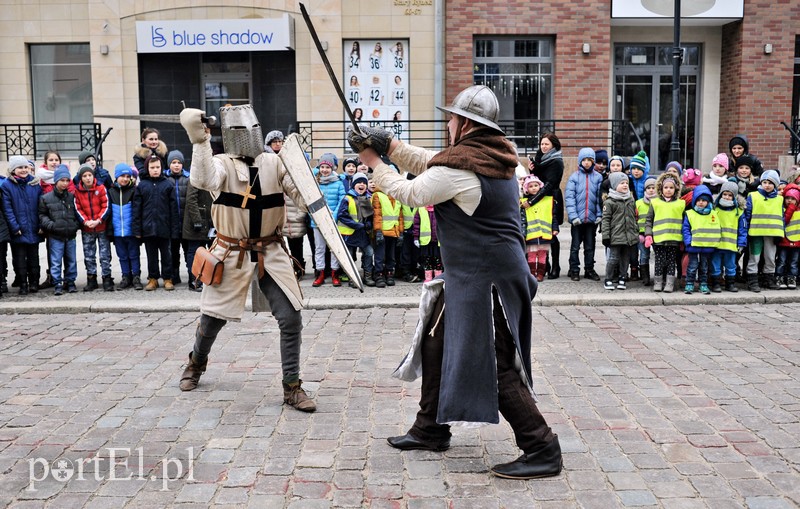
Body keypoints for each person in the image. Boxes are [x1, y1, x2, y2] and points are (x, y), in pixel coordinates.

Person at [349, 84, 561, 480]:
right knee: (435, 342)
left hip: (487, 283)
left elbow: (409, 191)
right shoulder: (493, 156)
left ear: (465, 124)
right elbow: (431, 160)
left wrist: (372, 162)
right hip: (476, 275)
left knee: (495, 364)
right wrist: (390, 144)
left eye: (451, 117)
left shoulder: (462, 171)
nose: (447, 123)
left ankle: (541, 446)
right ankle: (430, 428)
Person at [178, 104, 316, 412]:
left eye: (253, 128)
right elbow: (202, 180)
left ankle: (292, 386)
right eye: (241, 131)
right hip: (230, 252)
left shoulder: (274, 162)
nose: (249, 135)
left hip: (271, 250)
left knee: (291, 317)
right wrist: (199, 140)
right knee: (211, 320)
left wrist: (308, 184)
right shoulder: (221, 164)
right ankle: (196, 362)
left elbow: (304, 197)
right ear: (228, 135)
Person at [134, 154, 180, 291]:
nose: (155, 170)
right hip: (148, 228)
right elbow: (137, 209)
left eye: (157, 167)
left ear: (162, 168)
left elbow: (174, 210)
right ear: (147, 168)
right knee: (151, 256)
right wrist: (137, 229)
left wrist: (174, 229)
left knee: (167, 255)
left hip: (164, 228)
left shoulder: (168, 185)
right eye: (152, 167)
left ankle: (167, 278)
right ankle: (153, 278)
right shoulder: (142, 186)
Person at [1, 156, 43, 295]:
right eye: (20, 168)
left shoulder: (35, 183)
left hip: (33, 227)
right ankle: (23, 284)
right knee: (20, 259)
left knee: (34, 258)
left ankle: (34, 282)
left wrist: (40, 224)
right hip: (18, 229)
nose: (24, 170)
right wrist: (15, 227)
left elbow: (41, 206)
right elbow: (7, 209)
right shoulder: (7, 185)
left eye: (25, 167)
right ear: (13, 170)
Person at [526, 132, 564, 279]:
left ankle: (555, 266)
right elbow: (536, 180)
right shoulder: (540, 159)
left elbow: (549, 185)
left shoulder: (556, 161)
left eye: (546, 144)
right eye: (542, 143)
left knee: (552, 235)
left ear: (553, 145)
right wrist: (532, 170)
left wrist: (532, 200)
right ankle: (545, 265)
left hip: (551, 199)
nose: (543, 146)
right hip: (539, 199)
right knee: (540, 233)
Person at [38, 165, 80, 295]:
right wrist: (51, 225)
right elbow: (42, 214)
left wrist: (75, 225)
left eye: (67, 180)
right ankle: (57, 283)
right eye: (62, 180)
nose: (65, 183)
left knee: (71, 260)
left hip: (70, 233)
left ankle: (70, 281)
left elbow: (78, 212)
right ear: (56, 181)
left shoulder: (72, 197)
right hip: (55, 235)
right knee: (56, 261)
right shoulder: (46, 198)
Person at [74, 163, 113, 291]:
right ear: (81, 178)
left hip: (101, 227)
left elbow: (106, 206)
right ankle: (91, 278)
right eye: (85, 176)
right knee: (89, 255)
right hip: (87, 229)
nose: (88, 178)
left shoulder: (101, 188)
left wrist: (98, 220)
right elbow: (78, 208)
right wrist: (85, 221)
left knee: (104, 255)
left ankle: (107, 278)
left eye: (90, 175)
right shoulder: (77, 191)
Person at [565, 147, 602, 281]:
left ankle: (589, 269)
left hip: (591, 219)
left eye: (589, 160)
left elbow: (599, 198)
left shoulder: (598, 178)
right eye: (584, 160)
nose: (586, 162)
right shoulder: (574, 177)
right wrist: (573, 216)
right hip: (577, 220)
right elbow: (570, 198)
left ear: (593, 162)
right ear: (580, 161)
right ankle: (574, 269)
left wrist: (599, 215)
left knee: (590, 246)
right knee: (575, 246)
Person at [743, 170, 784, 291]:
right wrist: (747, 231)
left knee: (770, 257)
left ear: (775, 185)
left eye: (770, 183)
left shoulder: (779, 199)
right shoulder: (753, 196)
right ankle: (752, 279)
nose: (767, 185)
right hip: (755, 233)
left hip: (772, 234)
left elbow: (781, 217)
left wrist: (781, 233)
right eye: (765, 182)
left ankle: (768, 278)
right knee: (754, 257)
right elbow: (748, 214)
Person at [644, 172, 684, 293]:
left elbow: (684, 222)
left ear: (676, 188)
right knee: (659, 261)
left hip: (674, 239)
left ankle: (669, 283)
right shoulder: (655, 202)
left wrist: (683, 239)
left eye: (671, 188)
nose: (668, 190)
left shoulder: (680, 203)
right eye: (666, 187)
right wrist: (648, 234)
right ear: (661, 189)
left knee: (671, 262)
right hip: (659, 239)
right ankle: (658, 282)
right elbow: (649, 220)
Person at [311, 154, 346, 287]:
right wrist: (316, 216)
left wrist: (334, 215)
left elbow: (341, 200)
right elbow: (311, 201)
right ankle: (320, 273)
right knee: (320, 248)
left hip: (333, 221)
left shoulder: (338, 183)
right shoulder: (315, 182)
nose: (324, 170)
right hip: (318, 221)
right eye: (322, 167)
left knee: (333, 248)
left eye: (327, 167)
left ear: (333, 168)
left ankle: (334, 273)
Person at [107, 163, 143, 291]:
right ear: (116, 177)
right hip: (118, 232)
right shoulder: (111, 192)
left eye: (128, 176)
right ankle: (126, 276)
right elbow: (109, 212)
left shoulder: (134, 190)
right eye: (122, 176)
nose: (125, 179)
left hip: (131, 231)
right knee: (122, 255)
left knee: (134, 255)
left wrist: (137, 229)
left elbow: (138, 211)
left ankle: (136, 276)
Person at [336, 172, 375, 287]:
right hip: (350, 233)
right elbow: (342, 215)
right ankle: (352, 278)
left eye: (364, 183)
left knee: (369, 252)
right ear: (354, 185)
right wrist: (356, 225)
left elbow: (371, 215)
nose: (362, 185)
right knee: (350, 256)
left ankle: (367, 276)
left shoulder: (368, 198)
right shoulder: (347, 198)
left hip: (363, 233)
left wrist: (368, 224)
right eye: (359, 182)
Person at [601, 172, 638, 290]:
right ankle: (608, 278)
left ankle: (622, 277)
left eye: (626, 183)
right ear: (614, 185)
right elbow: (605, 220)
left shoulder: (631, 200)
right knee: (613, 258)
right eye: (622, 183)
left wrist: (634, 233)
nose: (625, 185)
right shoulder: (610, 202)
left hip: (628, 236)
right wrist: (606, 236)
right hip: (615, 236)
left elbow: (633, 218)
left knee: (625, 259)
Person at [682, 185, 719, 294]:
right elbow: (686, 229)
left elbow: (716, 228)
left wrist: (714, 243)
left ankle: (703, 283)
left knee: (704, 267)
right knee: (692, 266)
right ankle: (689, 283)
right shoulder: (690, 214)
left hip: (707, 246)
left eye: (704, 200)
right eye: (698, 200)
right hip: (694, 245)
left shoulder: (713, 214)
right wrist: (688, 242)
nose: (701, 202)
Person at [711, 181, 746, 292]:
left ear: (734, 196)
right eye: (725, 194)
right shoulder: (714, 208)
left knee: (731, 265)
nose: (726, 197)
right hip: (717, 244)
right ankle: (716, 283)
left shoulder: (739, 212)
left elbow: (742, 229)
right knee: (715, 264)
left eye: (730, 195)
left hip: (731, 245)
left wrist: (741, 243)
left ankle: (730, 283)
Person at [520, 175, 557, 282]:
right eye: (531, 186)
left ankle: (540, 273)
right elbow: (523, 220)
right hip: (531, 235)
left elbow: (552, 216)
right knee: (531, 256)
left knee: (542, 255)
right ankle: (532, 273)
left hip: (544, 235)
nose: (534, 188)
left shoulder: (547, 201)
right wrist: (523, 233)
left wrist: (555, 228)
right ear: (527, 189)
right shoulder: (524, 203)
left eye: (536, 185)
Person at [182, 178, 214, 291]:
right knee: (194, 252)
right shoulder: (195, 178)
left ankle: (210, 278)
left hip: (210, 221)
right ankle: (194, 280)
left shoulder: (214, 176)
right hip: (196, 223)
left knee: (213, 252)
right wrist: (197, 220)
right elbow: (191, 200)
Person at [165, 150, 191, 286]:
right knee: (173, 251)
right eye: (173, 163)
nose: (176, 165)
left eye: (179, 163)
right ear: (169, 164)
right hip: (171, 223)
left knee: (188, 250)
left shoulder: (188, 179)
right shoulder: (165, 179)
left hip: (185, 223)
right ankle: (174, 275)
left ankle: (191, 273)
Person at [371, 179, 404, 287]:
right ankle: (378, 274)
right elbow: (377, 215)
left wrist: (401, 232)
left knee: (391, 255)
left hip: (394, 231)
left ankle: (389, 273)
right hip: (382, 231)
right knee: (380, 255)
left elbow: (400, 217)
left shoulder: (396, 197)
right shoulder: (378, 195)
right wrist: (378, 231)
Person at [776, 184, 800, 290]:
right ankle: (779, 277)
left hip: (797, 241)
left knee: (794, 262)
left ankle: (791, 277)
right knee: (781, 261)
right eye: (787, 198)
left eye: (793, 199)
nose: (790, 201)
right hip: (784, 241)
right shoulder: (783, 210)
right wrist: (790, 208)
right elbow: (784, 221)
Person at [635, 177, 658, 286]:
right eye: (648, 188)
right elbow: (634, 219)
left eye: (653, 188)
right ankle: (645, 277)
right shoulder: (638, 203)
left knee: (658, 255)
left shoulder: (659, 203)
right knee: (644, 255)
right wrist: (638, 233)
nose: (651, 190)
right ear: (645, 190)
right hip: (642, 235)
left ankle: (658, 276)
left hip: (657, 234)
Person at [414, 204, 442, 282]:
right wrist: (416, 237)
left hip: (437, 240)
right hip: (426, 240)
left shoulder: (439, 209)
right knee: (427, 259)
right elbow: (416, 224)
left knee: (438, 259)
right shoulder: (420, 209)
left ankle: (438, 277)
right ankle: (428, 278)